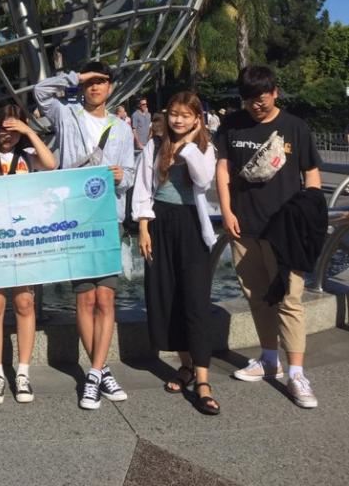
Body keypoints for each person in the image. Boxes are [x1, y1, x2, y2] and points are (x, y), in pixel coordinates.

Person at [215, 65, 323, 409]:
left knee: (289, 300)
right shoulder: (232, 124)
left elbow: (311, 173)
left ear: (275, 93)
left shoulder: (295, 127)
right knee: (258, 297)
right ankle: (268, 359)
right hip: (244, 226)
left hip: (284, 231)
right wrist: (227, 211)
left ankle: (297, 373)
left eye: (261, 98)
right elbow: (223, 168)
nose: (255, 105)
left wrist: (310, 212)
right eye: (248, 99)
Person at [34, 61, 134, 410]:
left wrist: (123, 176)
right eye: (91, 82)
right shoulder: (67, 115)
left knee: (105, 298)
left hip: (107, 218)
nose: (95, 87)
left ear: (110, 87)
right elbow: (40, 92)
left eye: (101, 81)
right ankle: (100, 371)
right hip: (75, 218)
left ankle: (93, 373)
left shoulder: (121, 129)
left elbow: (131, 173)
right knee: (84, 299)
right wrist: (75, 78)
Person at [133, 92, 219, 414]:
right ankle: (185, 365)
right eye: (174, 114)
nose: (178, 120)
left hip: (191, 224)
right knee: (166, 296)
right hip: (160, 222)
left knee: (195, 300)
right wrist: (143, 227)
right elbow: (143, 188)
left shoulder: (205, 148)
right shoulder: (155, 145)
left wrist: (187, 146)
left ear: (197, 119)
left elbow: (204, 179)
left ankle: (203, 380)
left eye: (185, 115)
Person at [0, 104, 56, 405]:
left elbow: (52, 165)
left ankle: (22, 373)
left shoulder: (29, 157)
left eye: (13, 129)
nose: (7, 136)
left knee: (24, 302)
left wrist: (29, 132)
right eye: (3, 129)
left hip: (24, 240)